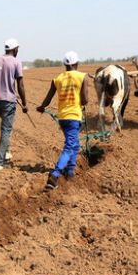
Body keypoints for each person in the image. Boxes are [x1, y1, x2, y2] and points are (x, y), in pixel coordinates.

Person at [36, 51, 90, 190]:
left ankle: (70, 171)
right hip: (74, 117)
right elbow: (85, 100)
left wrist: (42, 107)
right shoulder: (82, 77)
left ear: (65, 65)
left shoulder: (57, 79)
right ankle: (55, 174)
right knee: (69, 146)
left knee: (75, 144)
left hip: (63, 118)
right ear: (76, 64)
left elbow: (48, 98)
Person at [0, 38, 27, 169]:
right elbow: (21, 85)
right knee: (6, 130)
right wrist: (24, 103)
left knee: (4, 127)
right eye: (17, 48)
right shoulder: (16, 62)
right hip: (8, 101)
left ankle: (6, 153)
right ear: (14, 49)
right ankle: (0, 162)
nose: (18, 50)